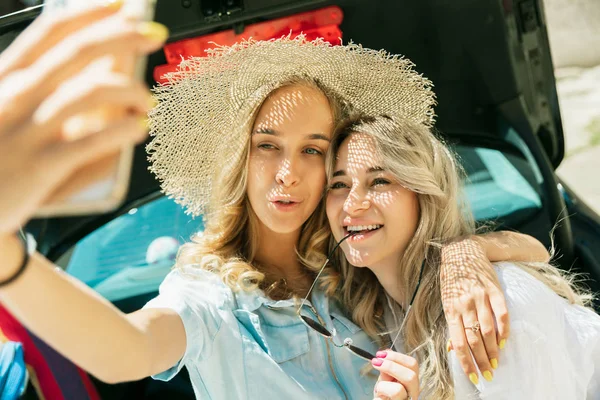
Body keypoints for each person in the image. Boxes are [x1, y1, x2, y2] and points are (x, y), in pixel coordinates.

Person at [0, 11, 550, 398]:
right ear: (241, 159)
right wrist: (8, 257)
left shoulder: (360, 254)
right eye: (268, 146)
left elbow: (537, 250)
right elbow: (126, 352)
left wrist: (463, 253)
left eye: (312, 150)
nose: (288, 173)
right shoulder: (210, 296)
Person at [324, 114, 600, 399]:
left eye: (379, 181)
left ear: (424, 194)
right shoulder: (379, 309)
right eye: (338, 184)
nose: (352, 203)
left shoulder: (493, 307)